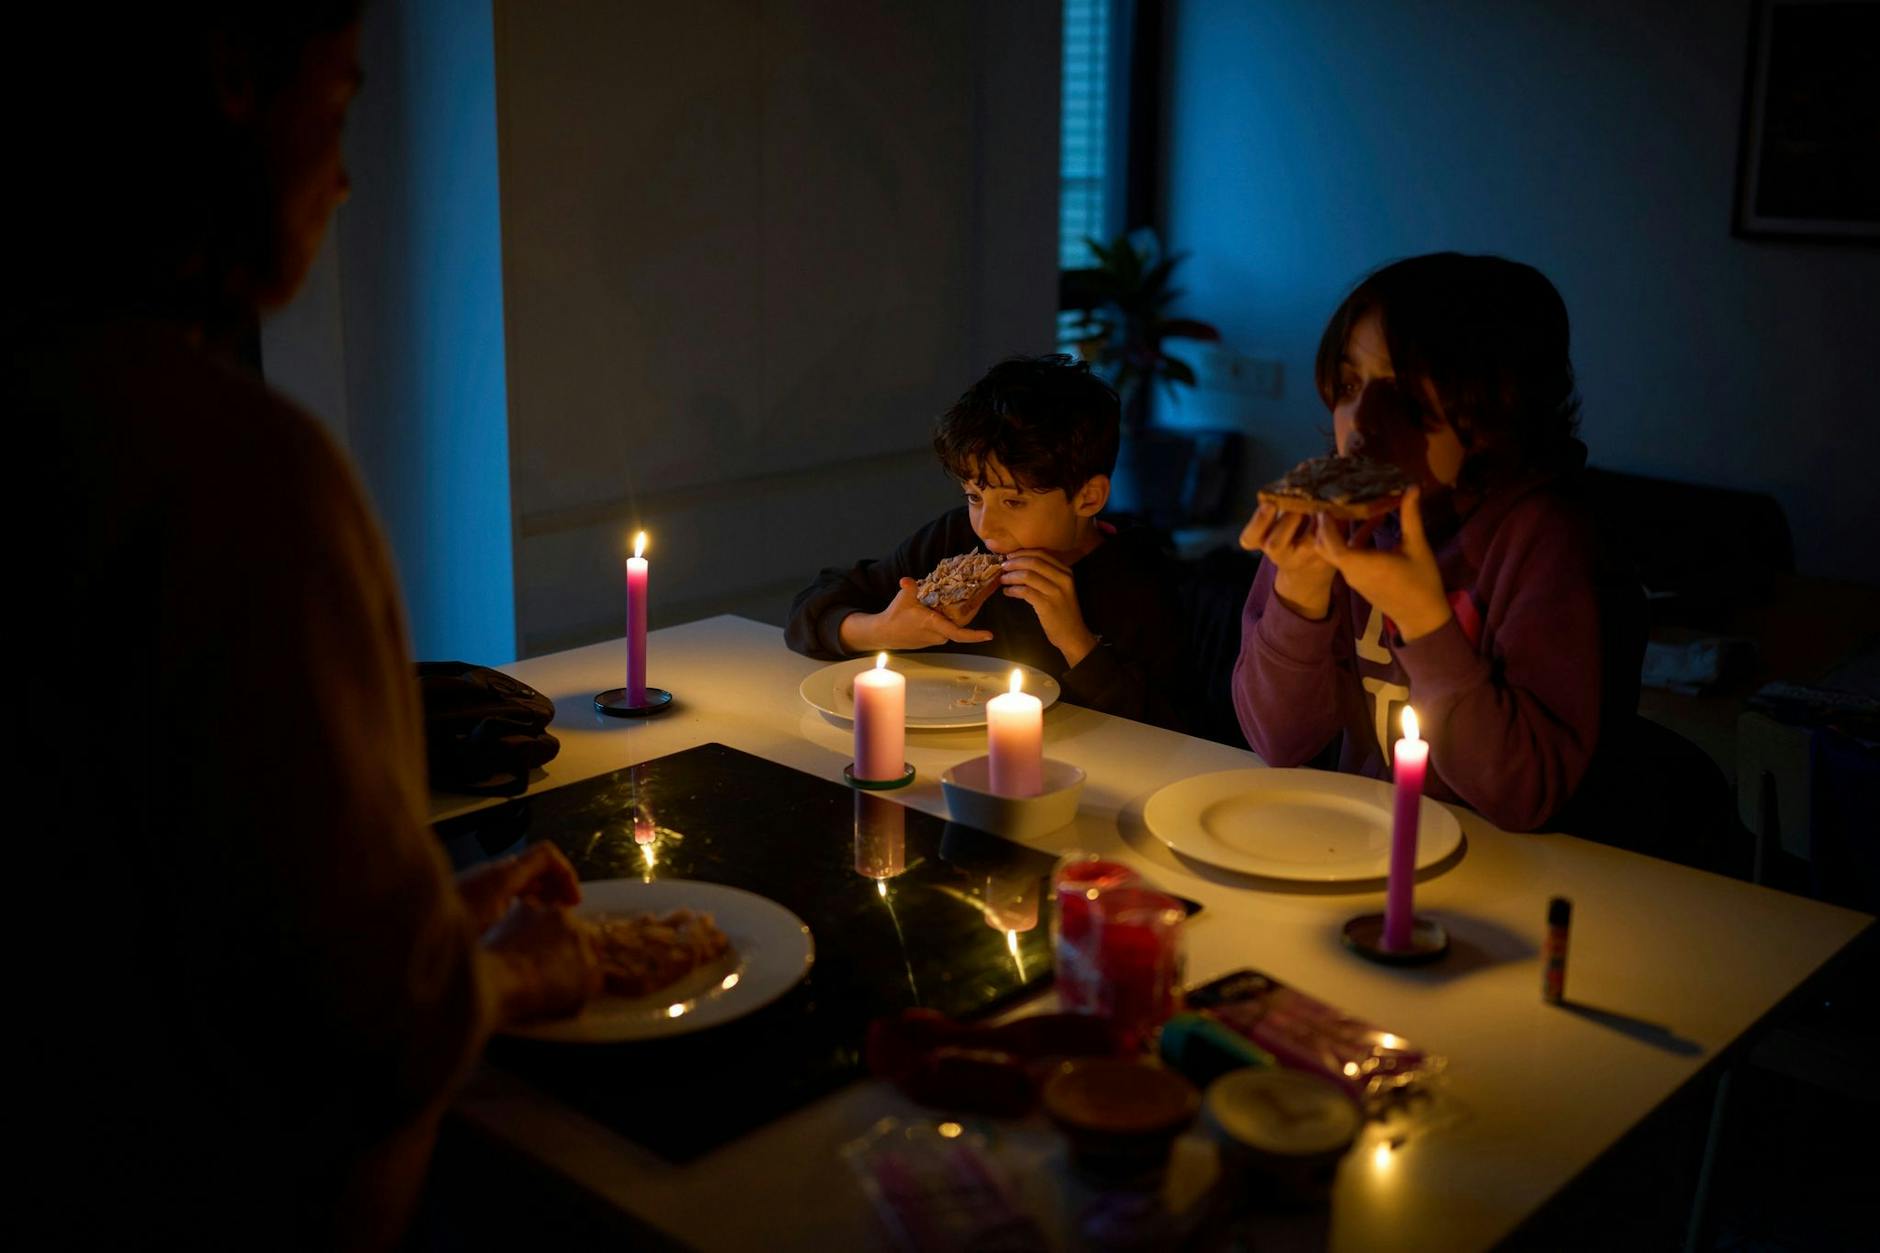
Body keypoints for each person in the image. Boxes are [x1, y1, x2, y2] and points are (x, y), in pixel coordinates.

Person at [9, 6, 598, 1248]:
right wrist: (501, 972)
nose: (341, 173)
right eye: (332, 108)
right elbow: (357, 1026)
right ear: (229, 91)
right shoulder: (231, 472)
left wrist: (424, 911)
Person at [1232, 253, 1638, 832]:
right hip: (1363, 842)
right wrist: (1299, 592)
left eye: (1404, 393)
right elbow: (1277, 740)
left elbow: (1526, 796)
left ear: (1501, 403)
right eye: (1349, 384)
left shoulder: (1545, 539)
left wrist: (1424, 620)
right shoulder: (1339, 525)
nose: (1362, 421)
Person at [786, 355, 1188, 730]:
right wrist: (880, 630)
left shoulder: (1141, 580)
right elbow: (808, 611)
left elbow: (1172, 731)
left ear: (1088, 498)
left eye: (1013, 501)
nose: (987, 527)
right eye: (974, 497)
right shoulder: (954, 539)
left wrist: (1076, 642)